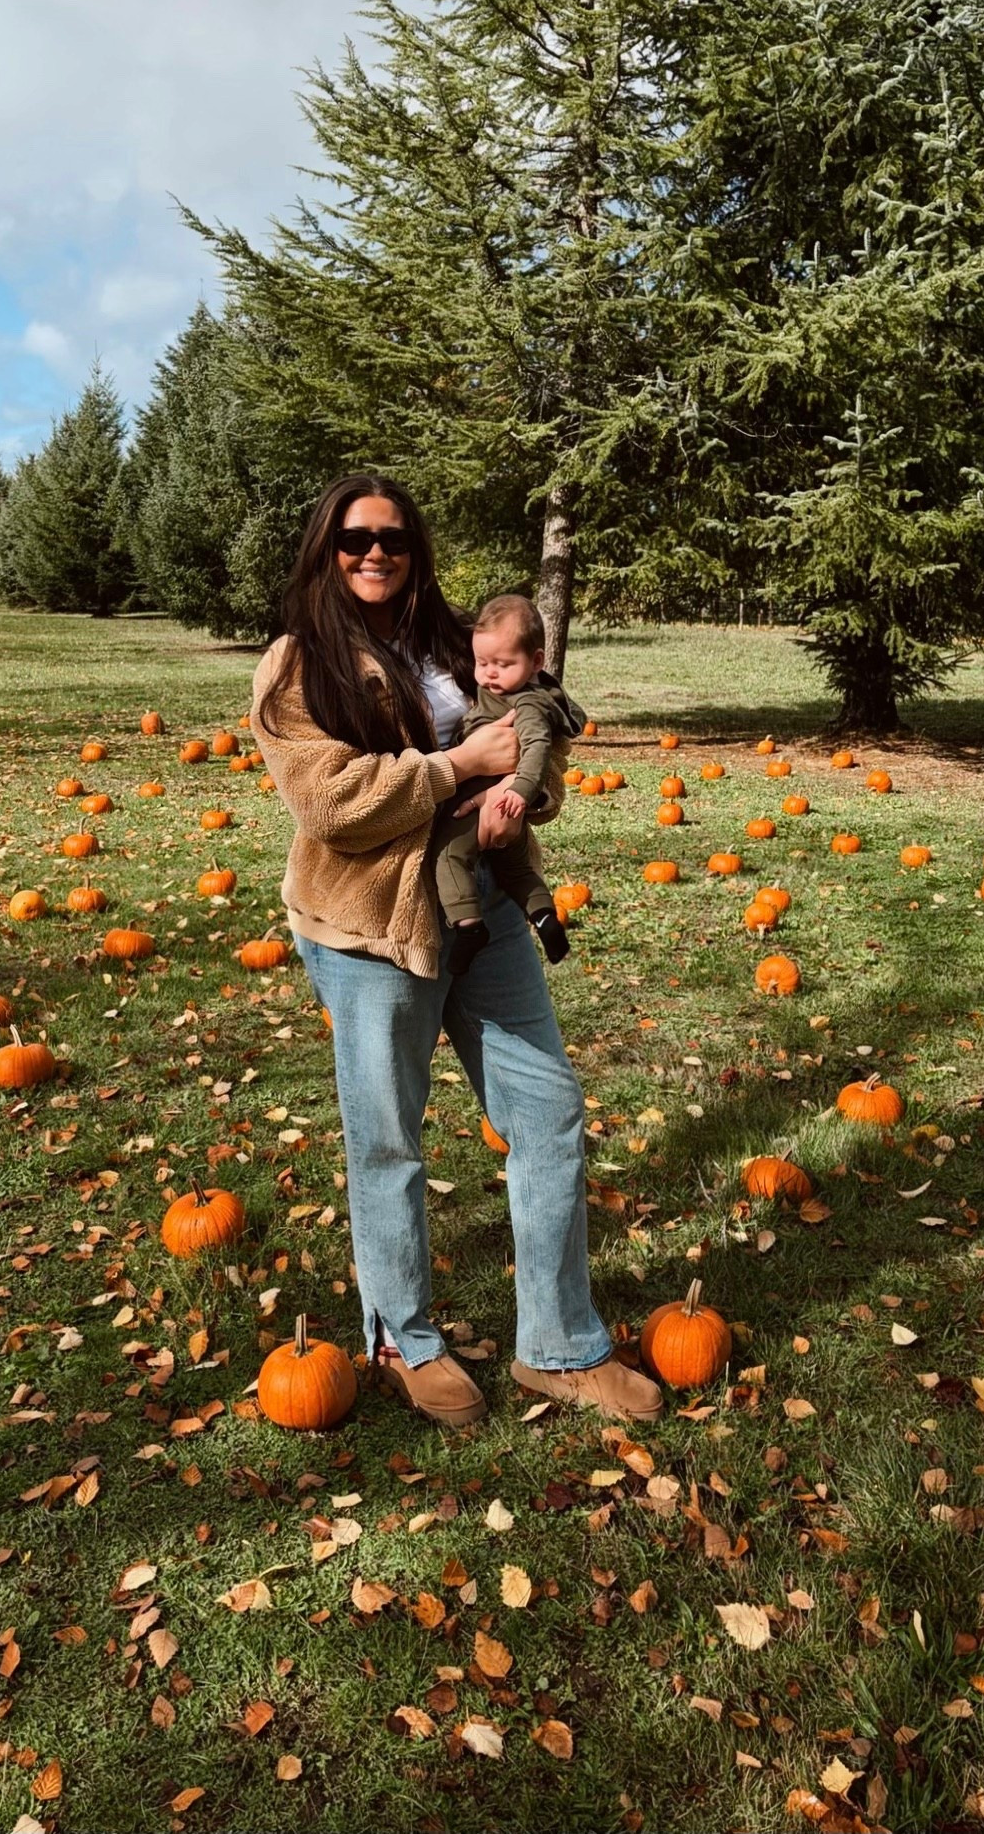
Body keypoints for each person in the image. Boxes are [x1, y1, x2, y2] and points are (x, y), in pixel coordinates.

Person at [251, 470, 661, 1429]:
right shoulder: (295, 662)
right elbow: (328, 801)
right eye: (355, 538)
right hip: (368, 930)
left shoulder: (454, 639)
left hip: (483, 907)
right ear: (327, 545)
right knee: (389, 1139)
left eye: (393, 537)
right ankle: (403, 1337)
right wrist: (452, 769)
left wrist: (529, 785)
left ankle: (558, 1347)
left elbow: (538, 721)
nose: (375, 553)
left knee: (549, 1111)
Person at [432, 591, 586, 976]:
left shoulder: (528, 704)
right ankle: (545, 917)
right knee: (516, 871)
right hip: (507, 810)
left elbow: (537, 749)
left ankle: (468, 925)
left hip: (487, 800)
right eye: (482, 663)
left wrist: (519, 791)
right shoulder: (501, 690)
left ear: (536, 662)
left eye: (503, 664)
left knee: (450, 857)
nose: (489, 673)